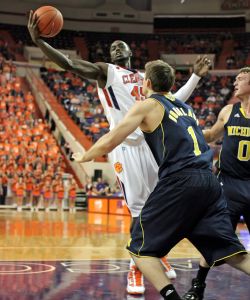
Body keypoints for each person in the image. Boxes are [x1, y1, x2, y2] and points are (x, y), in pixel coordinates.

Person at [28, 11, 210, 294]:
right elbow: (69, 64)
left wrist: (196, 76)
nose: (115, 47)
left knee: (159, 207)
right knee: (139, 212)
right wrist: (39, 42)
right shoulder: (106, 72)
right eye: (111, 46)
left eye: (120, 45)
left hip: (152, 147)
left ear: (130, 51)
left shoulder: (145, 78)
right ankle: (135, 268)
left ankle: (155, 251)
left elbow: (173, 101)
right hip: (126, 149)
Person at [72, 60, 250, 300]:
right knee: (232, 254)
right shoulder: (185, 107)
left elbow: (112, 139)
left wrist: (85, 156)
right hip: (209, 182)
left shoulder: (148, 105)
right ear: (171, 84)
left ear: (146, 83)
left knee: (139, 249)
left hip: (181, 181)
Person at [183, 67, 250, 300]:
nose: (235, 83)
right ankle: (198, 285)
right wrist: (187, 132)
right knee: (214, 237)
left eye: (241, 79)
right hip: (229, 184)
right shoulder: (229, 110)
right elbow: (211, 135)